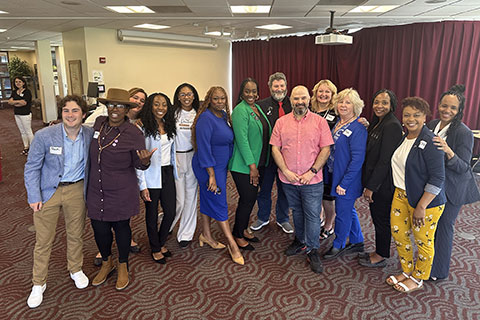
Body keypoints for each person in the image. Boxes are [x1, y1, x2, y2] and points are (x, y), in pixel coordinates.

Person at [24, 95, 93, 308]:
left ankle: (75, 268)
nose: (70, 115)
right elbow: (32, 167)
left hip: (76, 189)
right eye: (66, 111)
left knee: (76, 234)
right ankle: (38, 283)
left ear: (83, 114)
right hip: (48, 192)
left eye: (75, 111)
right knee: (44, 240)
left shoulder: (90, 135)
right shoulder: (45, 135)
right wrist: (34, 195)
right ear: (61, 113)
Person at [87, 88, 155, 290]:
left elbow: (139, 164)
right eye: (111, 105)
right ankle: (107, 263)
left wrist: (144, 162)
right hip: (96, 187)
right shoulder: (99, 123)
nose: (114, 109)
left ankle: (123, 264)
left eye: (120, 106)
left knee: (121, 228)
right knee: (99, 229)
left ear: (127, 109)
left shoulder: (134, 133)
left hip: (121, 190)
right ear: (106, 106)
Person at [270, 85, 333, 274]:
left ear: (309, 99)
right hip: (288, 179)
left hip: (312, 180)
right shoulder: (281, 122)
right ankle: (299, 240)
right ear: (291, 101)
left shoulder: (319, 122)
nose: (300, 102)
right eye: (296, 99)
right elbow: (275, 148)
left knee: (313, 215)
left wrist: (312, 172)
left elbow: (326, 149)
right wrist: (285, 171)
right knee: (296, 211)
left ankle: (313, 249)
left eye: (303, 98)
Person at [386, 97, 446, 293]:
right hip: (401, 194)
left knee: (423, 240)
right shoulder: (406, 137)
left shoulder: (431, 141)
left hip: (426, 202)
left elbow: (437, 178)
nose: (411, 119)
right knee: (399, 234)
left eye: (416, 115)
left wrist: (421, 206)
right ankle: (407, 270)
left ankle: (419, 277)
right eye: (407, 115)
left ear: (425, 117)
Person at [428, 85, 480, 280]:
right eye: (444, 106)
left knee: (444, 227)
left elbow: (464, 167)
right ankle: (427, 263)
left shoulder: (463, 132)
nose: (447, 111)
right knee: (430, 226)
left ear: (459, 111)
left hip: (454, 188)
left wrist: (448, 151)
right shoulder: (433, 124)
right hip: (434, 185)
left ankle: (438, 271)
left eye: (452, 108)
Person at [192, 86, 244, 265]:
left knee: (208, 198)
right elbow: (204, 147)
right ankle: (232, 244)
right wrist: (211, 175)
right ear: (209, 100)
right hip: (208, 167)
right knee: (220, 201)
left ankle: (206, 235)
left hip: (220, 167)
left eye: (223, 98)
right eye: (216, 98)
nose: (220, 102)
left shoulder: (222, 116)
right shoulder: (205, 118)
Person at [359, 89, 403, 267]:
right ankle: (379, 250)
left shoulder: (392, 125)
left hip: (383, 184)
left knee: (382, 219)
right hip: (376, 181)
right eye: (377, 102)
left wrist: (371, 187)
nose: (379, 106)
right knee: (378, 218)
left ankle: (381, 255)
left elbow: (385, 160)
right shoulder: (379, 122)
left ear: (392, 105)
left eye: (384, 103)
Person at [323, 88, 367, 260]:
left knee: (342, 212)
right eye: (341, 101)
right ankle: (357, 240)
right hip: (336, 174)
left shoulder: (358, 128)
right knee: (349, 210)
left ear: (355, 106)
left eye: (348, 102)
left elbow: (357, 159)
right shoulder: (338, 123)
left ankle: (339, 243)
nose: (343, 105)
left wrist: (344, 183)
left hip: (348, 179)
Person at [229, 78, 271, 251]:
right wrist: (252, 167)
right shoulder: (240, 111)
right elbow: (242, 141)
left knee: (251, 198)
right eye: (247, 91)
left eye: (254, 91)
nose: (251, 94)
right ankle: (237, 234)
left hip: (258, 163)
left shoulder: (257, 108)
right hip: (244, 166)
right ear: (241, 92)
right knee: (247, 199)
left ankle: (244, 229)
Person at [137, 93, 177, 264]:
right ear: (150, 106)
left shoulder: (169, 125)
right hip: (150, 173)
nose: (161, 108)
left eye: (164, 105)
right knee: (152, 214)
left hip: (167, 172)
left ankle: (160, 242)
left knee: (170, 212)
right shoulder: (142, 128)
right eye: (156, 104)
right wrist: (142, 186)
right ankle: (155, 247)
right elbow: (139, 160)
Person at [250, 72, 293, 234]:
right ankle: (263, 217)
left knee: (284, 190)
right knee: (265, 188)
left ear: (286, 87)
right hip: (267, 156)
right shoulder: (260, 105)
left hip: (287, 158)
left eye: (282, 86)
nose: (279, 89)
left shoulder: (293, 104)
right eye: (276, 86)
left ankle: (283, 219)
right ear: (270, 87)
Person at [169, 83, 200, 248]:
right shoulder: (172, 114)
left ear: (194, 96)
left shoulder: (198, 114)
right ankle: (167, 222)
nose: (186, 97)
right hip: (176, 158)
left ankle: (186, 234)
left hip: (192, 157)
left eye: (189, 94)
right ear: (178, 97)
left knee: (191, 196)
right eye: (183, 94)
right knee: (179, 200)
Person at [310, 79, 339, 240]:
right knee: (314, 193)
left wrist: (363, 121)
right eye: (320, 91)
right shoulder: (309, 110)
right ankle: (319, 217)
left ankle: (329, 225)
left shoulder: (337, 112)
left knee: (328, 197)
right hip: (310, 159)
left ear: (332, 95)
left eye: (327, 91)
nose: (323, 94)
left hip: (329, 161)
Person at [8, 76, 34, 155]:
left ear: (23, 83)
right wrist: (18, 102)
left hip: (25, 114)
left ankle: (33, 148)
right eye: (16, 82)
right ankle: (26, 147)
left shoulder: (27, 92)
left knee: (28, 131)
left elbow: (24, 103)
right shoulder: (14, 92)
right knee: (22, 132)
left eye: (19, 81)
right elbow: (9, 102)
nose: (18, 83)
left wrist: (15, 102)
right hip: (17, 114)